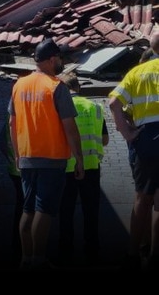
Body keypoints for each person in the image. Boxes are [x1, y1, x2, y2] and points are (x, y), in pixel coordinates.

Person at [8, 38, 84, 270]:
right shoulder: (56, 86)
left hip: (28, 157)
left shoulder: (19, 85)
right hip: (52, 158)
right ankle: (39, 260)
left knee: (28, 209)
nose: (60, 62)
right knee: (45, 210)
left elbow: (12, 123)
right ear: (51, 60)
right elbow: (70, 128)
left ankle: (26, 258)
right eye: (59, 58)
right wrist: (79, 158)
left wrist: (19, 154)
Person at [108, 31, 159, 271]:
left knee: (142, 199)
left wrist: (126, 132)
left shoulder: (137, 73)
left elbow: (113, 103)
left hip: (146, 140)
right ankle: (153, 254)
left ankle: (133, 253)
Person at [58, 72, 109, 267]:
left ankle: (65, 249)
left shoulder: (59, 108)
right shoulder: (96, 107)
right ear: (78, 87)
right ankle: (92, 248)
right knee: (91, 210)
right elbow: (104, 140)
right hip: (91, 167)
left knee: (66, 210)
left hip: (67, 166)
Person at [0, 109, 24, 266]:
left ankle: (18, 245)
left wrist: (10, 158)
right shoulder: (33, 112)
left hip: (15, 170)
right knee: (30, 209)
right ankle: (27, 247)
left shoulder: (10, 113)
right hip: (29, 169)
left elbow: (1, 140)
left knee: (21, 206)